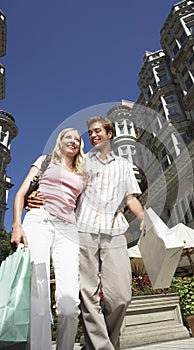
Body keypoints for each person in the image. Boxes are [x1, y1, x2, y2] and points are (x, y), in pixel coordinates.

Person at [27, 116, 144, 350]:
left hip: (113, 232)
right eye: (90, 133)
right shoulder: (82, 163)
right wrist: (38, 197)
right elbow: (64, 189)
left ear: (110, 134)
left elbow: (131, 198)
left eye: (98, 131)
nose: (93, 136)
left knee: (121, 297)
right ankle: (101, 347)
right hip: (82, 230)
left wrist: (144, 219)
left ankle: (100, 342)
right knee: (87, 295)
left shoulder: (123, 165)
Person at [11, 128, 87, 350]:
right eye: (68, 137)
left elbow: (81, 209)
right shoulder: (44, 162)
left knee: (70, 305)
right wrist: (17, 224)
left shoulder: (83, 175)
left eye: (77, 139)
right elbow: (21, 193)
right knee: (38, 295)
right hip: (39, 221)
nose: (73, 141)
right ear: (60, 142)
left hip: (68, 230)